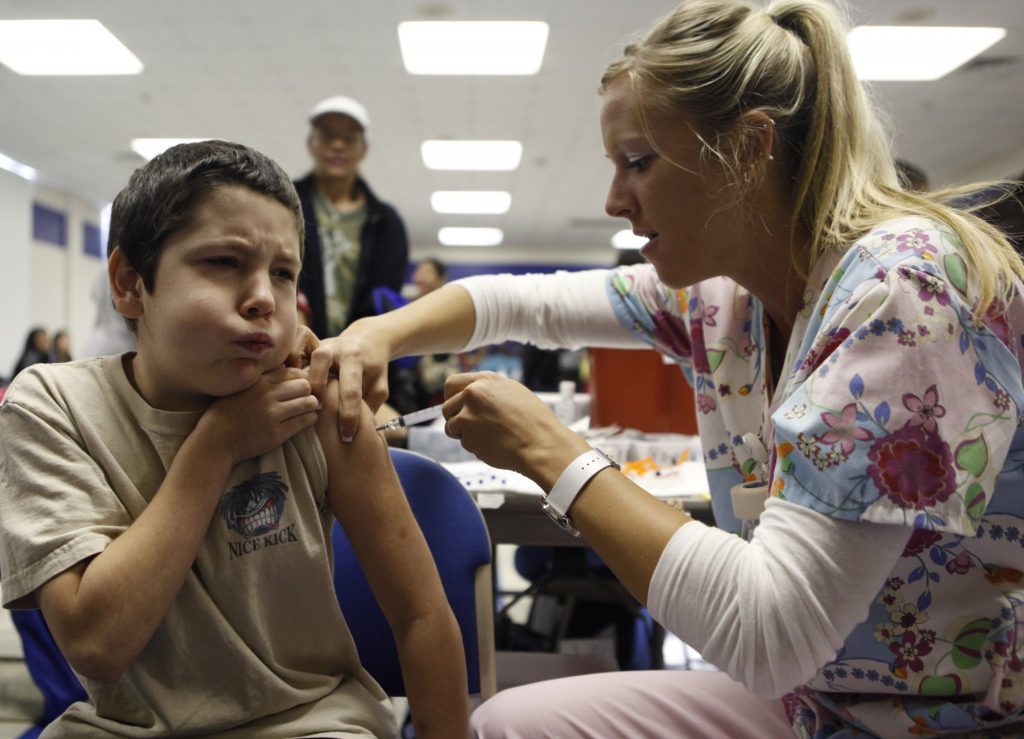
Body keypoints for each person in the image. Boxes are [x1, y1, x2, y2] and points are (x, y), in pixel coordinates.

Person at [306, 0, 1024, 735]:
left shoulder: (902, 292)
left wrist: (553, 452)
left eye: (639, 162)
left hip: (944, 714)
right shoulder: (724, 296)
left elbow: (770, 635)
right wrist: (375, 335)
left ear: (749, 148)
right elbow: (525, 304)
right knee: (507, 724)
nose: (616, 200)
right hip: (816, 699)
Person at [0, 140, 467, 738]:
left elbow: (423, 616)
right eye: (224, 262)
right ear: (129, 283)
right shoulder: (53, 405)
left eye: (283, 273)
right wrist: (217, 444)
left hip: (310, 724)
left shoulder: (317, 402)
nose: (263, 300)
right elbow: (97, 644)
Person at [295, 95, 410, 339]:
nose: (338, 145)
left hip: (360, 355)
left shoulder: (385, 222)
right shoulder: (285, 203)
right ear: (311, 144)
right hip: (291, 348)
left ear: (364, 149)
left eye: (349, 138)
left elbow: (385, 296)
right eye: (327, 136)